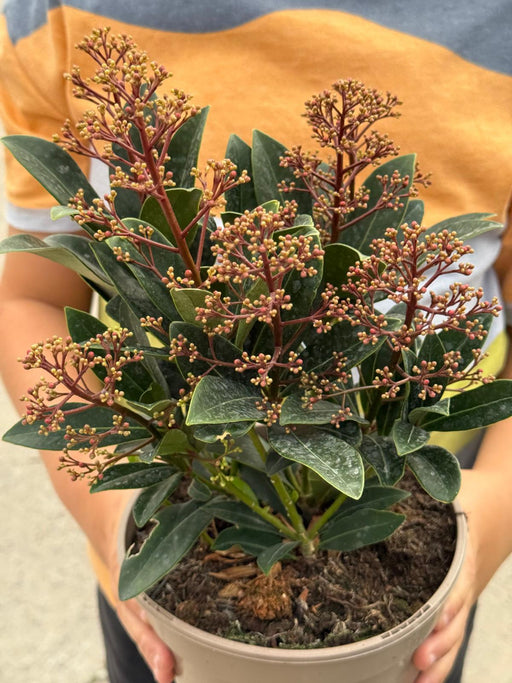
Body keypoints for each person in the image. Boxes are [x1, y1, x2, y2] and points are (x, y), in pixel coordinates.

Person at [0, 2, 511, 682]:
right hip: (182, 528)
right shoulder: (53, 16)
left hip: (421, 504)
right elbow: (29, 296)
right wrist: (117, 518)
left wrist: (493, 511)